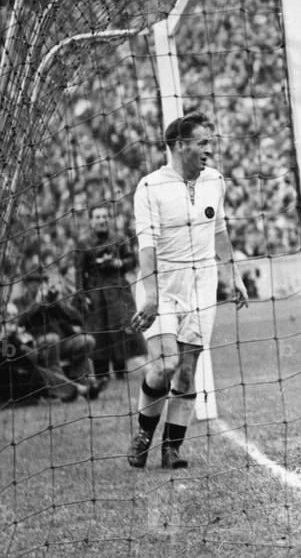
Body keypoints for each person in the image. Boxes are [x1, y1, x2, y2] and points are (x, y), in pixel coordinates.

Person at [128, 113, 248, 470]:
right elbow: (146, 245)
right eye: (202, 142)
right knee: (165, 364)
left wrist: (233, 274)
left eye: (210, 142)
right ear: (180, 145)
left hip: (201, 285)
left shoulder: (215, 181)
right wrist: (151, 296)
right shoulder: (150, 187)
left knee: (186, 370)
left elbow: (220, 230)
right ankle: (144, 435)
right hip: (162, 284)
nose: (209, 149)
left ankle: (172, 448)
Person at [75, 205, 141, 385]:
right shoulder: (84, 243)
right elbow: (79, 272)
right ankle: (101, 374)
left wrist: (118, 263)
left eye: (105, 216)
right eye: (98, 217)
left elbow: (132, 260)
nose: (102, 220)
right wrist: (81, 295)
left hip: (117, 290)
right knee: (98, 333)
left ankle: (121, 371)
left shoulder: (120, 239)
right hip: (95, 293)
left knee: (119, 328)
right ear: (91, 221)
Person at [14, 269, 101, 400]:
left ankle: (85, 382)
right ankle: (67, 390)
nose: (38, 284)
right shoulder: (21, 301)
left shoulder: (53, 299)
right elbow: (19, 321)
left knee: (87, 341)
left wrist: (58, 302)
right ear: (27, 284)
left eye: (41, 281)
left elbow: (77, 318)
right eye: (34, 281)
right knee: (52, 339)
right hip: (37, 345)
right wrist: (37, 304)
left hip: (63, 343)